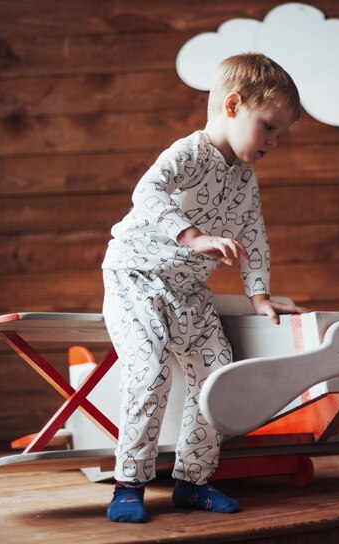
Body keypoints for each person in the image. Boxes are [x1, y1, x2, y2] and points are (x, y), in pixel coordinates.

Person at [101, 52, 306, 523]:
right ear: (233, 106)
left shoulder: (245, 179)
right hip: (137, 276)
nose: (275, 140)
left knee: (217, 376)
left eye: (281, 133)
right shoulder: (189, 153)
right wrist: (192, 237)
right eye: (269, 126)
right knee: (150, 371)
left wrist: (259, 294)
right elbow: (146, 192)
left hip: (189, 290)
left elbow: (253, 234)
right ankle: (129, 484)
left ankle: (193, 482)